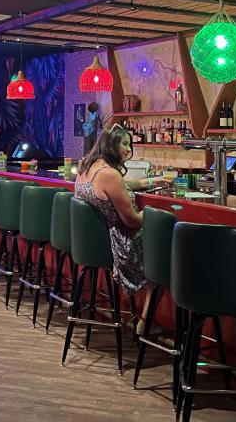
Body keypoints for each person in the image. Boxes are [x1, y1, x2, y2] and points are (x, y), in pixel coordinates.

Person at [74, 123, 148, 327]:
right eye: (124, 143)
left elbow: (109, 189)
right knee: (164, 256)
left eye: (129, 144)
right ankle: (144, 323)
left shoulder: (86, 167)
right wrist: (154, 215)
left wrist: (142, 184)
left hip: (91, 244)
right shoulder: (110, 175)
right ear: (111, 145)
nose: (128, 149)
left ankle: (143, 321)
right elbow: (132, 221)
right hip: (119, 245)